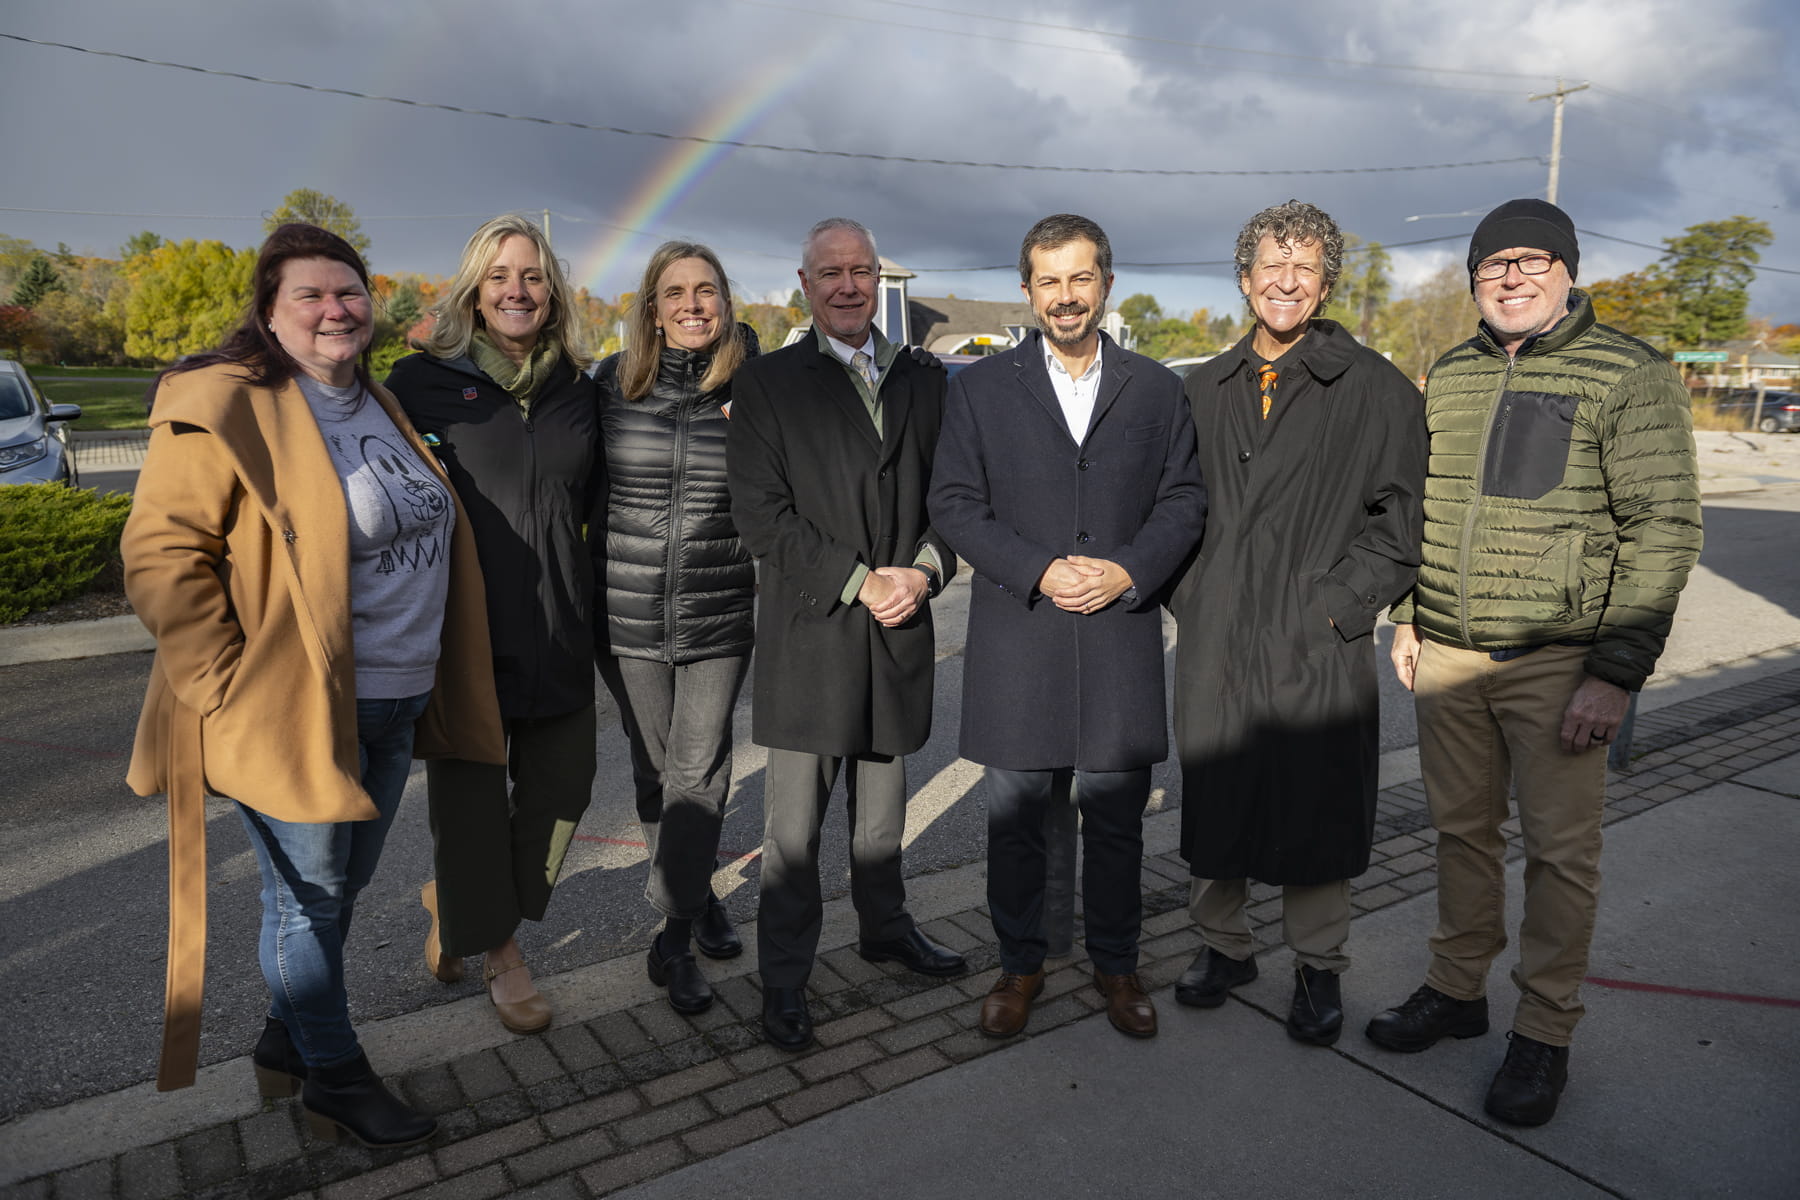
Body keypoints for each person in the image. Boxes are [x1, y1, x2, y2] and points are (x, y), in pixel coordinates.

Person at [123, 224, 503, 1147]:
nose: (336, 309)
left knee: (337, 894)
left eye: (349, 291)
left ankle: (284, 1042)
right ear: (268, 310)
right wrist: (223, 686)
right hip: (293, 709)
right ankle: (336, 1077)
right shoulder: (226, 402)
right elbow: (161, 555)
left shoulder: (374, 399)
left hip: (396, 699)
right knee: (306, 901)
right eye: (311, 294)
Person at [1365, 199, 1702, 1126]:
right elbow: (1425, 506)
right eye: (1493, 263)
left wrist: (1614, 673)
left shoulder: (1630, 373)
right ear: (1474, 279)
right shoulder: (1454, 372)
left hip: (1560, 664)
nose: (1511, 277)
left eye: (1532, 260)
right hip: (1448, 653)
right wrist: (1409, 615)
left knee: (1560, 857)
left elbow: (1664, 529)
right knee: (1460, 835)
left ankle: (1545, 1032)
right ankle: (1456, 989)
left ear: (1567, 271)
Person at [930, 213, 1205, 1040]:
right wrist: (1040, 568)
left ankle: (1118, 965)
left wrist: (1128, 569)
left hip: (1118, 631)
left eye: (1080, 278)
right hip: (1022, 632)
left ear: (1106, 284)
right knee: (1017, 823)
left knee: (1117, 822)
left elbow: (1183, 500)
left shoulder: (1156, 389)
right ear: (1027, 290)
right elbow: (954, 504)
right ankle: (1020, 966)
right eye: (1048, 280)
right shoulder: (978, 389)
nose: (1065, 296)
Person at [1170, 200, 1426, 1046]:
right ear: (1244, 279)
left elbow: (1402, 524)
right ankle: (1223, 946)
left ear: (1326, 283)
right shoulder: (1201, 389)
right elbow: (1170, 509)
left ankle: (1319, 967)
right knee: (1218, 789)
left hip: (1317, 638)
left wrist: (1336, 605)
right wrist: (1193, 594)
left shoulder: (1376, 389)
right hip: (1217, 632)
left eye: (1304, 267)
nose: (1286, 281)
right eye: (1271, 266)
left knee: (1316, 804)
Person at [727, 217, 964, 1051]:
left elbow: (955, 497)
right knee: (793, 836)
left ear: (877, 281)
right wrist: (862, 582)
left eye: (860, 270)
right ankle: (785, 980)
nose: (847, 286)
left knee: (882, 817)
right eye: (830, 272)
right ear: (805, 284)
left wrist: (924, 572)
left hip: (900, 624)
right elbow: (762, 516)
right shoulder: (769, 384)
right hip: (813, 633)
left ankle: (885, 928)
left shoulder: (924, 378)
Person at [385, 214, 605, 1037]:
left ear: (553, 293)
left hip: (560, 627)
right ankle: (501, 953)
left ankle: (462, 905)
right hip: (464, 637)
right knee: (472, 806)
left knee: (565, 788)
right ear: (475, 291)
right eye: (501, 276)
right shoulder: (418, 384)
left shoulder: (581, 389)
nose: (518, 290)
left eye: (534, 276)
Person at [594, 241, 757, 1015]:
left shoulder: (756, 386)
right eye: (675, 292)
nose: (692, 304)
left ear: (724, 301)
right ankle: (699, 897)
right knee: (655, 772)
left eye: (706, 290)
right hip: (626, 612)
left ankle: (675, 937)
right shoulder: (611, 384)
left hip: (720, 610)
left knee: (700, 770)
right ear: (653, 310)